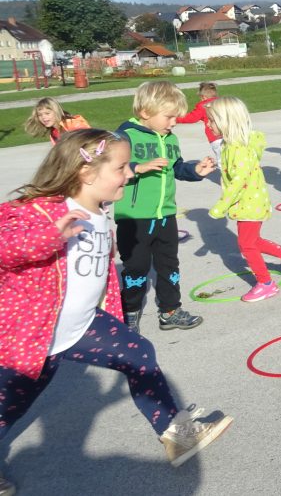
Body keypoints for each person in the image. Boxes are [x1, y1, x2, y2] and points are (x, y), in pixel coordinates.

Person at [0, 130, 232, 494]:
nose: (129, 173)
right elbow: (6, 246)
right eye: (122, 167)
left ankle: (177, 434)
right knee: (8, 408)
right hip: (31, 338)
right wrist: (48, 238)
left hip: (82, 326)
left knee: (138, 354)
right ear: (86, 173)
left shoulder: (98, 210)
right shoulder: (42, 209)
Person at [115, 81, 215, 333]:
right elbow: (108, 168)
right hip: (134, 217)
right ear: (145, 112)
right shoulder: (125, 136)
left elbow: (177, 167)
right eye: (169, 117)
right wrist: (138, 167)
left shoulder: (170, 138)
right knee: (136, 267)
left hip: (166, 214)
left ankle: (170, 310)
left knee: (168, 264)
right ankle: (129, 313)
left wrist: (195, 170)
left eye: (176, 118)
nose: (174, 122)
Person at [206, 97, 281, 302]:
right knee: (253, 241)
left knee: (246, 244)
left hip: (249, 202)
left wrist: (220, 206)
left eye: (211, 121)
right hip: (249, 200)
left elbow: (238, 180)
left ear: (226, 121)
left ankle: (266, 283)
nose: (208, 125)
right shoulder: (230, 145)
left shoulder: (238, 148)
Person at [176, 81, 223, 164]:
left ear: (203, 97)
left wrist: (176, 118)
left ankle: (225, 175)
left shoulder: (203, 106)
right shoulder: (223, 102)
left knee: (221, 159)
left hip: (214, 137)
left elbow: (191, 118)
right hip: (228, 134)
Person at [23, 97, 90, 145]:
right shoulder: (54, 132)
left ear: (56, 112)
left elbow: (90, 142)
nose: (43, 117)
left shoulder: (72, 124)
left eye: (47, 113)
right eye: (40, 115)